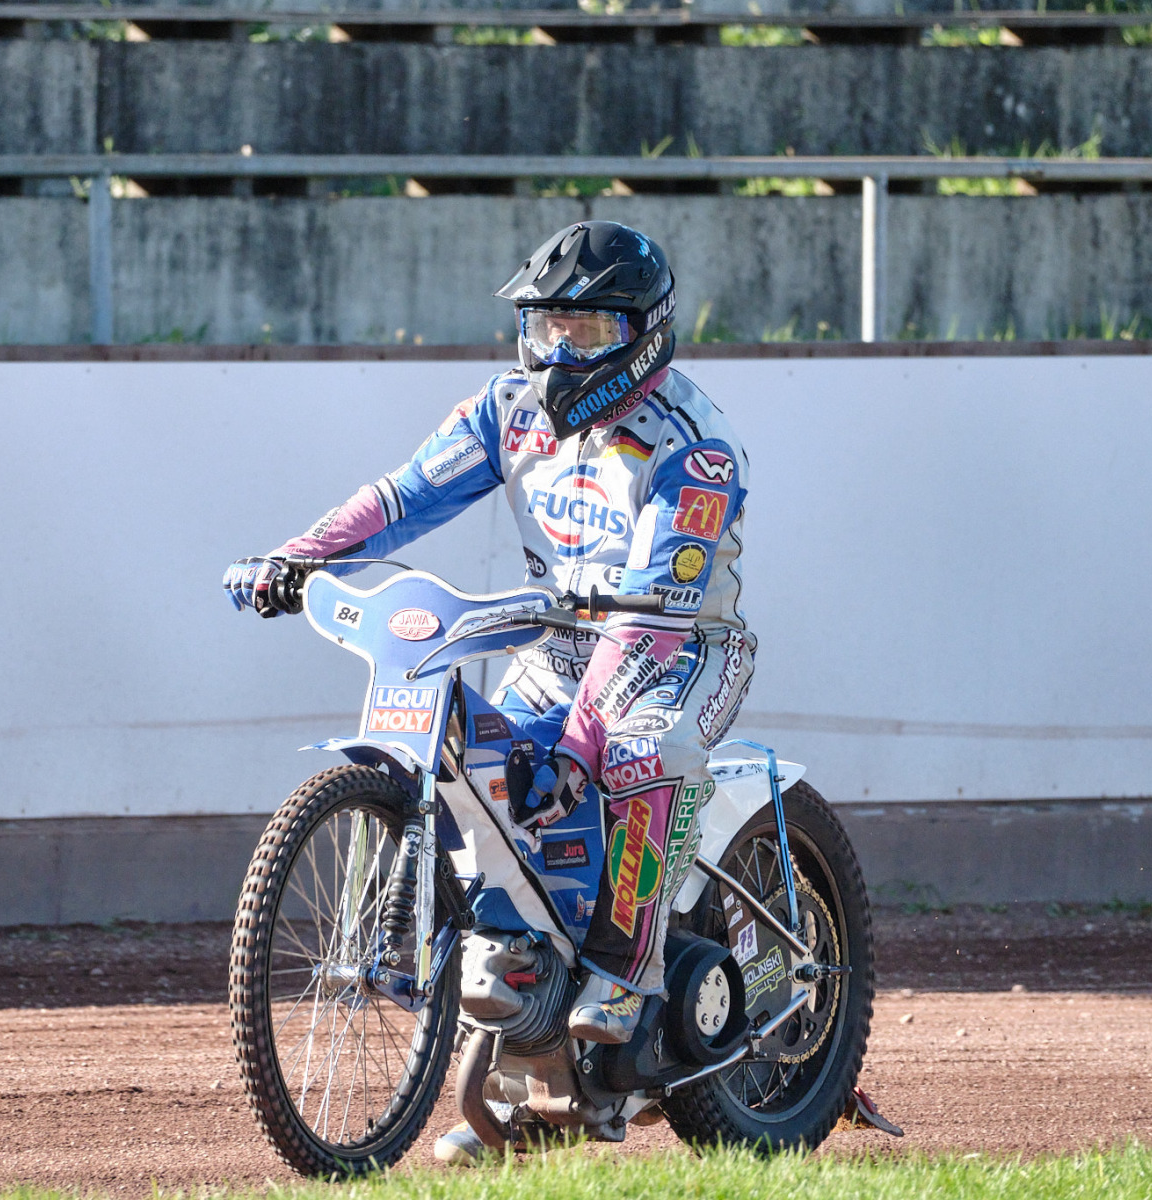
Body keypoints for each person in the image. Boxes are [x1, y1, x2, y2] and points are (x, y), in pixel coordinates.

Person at [222, 219, 756, 1098]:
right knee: (489, 773)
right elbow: (405, 496)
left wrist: (581, 743)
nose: (561, 351)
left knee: (635, 754)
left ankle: (627, 979)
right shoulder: (506, 409)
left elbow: (655, 615)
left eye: (587, 331)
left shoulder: (694, 447)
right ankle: (517, 1028)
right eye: (547, 327)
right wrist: (299, 557)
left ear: (645, 333)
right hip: (554, 644)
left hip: (682, 647)